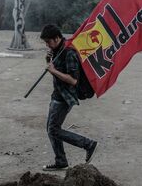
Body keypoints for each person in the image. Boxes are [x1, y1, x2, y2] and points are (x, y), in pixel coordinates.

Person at [40, 24, 98, 170]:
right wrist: (49, 62)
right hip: (57, 94)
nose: (47, 44)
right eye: (45, 42)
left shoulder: (69, 53)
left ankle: (88, 144)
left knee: (53, 129)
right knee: (51, 128)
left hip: (64, 97)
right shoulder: (57, 50)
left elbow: (73, 80)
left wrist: (53, 70)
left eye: (49, 41)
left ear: (57, 38)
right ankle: (61, 161)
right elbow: (56, 69)